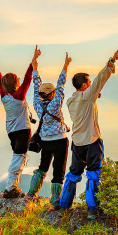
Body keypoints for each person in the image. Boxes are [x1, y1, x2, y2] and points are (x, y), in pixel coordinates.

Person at [60, 47, 118, 219]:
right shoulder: (87, 96)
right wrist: (112, 61)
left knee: (73, 173)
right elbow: (100, 80)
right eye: (88, 83)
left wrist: (93, 96)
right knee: (94, 174)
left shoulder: (71, 101)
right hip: (92, 141)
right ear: (84, 85)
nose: (90, 84)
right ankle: (93, 210)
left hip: (77, 143)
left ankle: (64, 204)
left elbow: (89, 95)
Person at [0, 46, 40, 198]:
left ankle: (13, 186)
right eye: (17, 79)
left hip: (11, 132)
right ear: (15, 83)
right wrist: (33, 62)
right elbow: (27, 79)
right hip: (22, 132)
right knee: (19, 157)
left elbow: (0, 80)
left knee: (19, 155)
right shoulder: (18, 96)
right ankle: (11, 188)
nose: (20, 79)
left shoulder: (4, 96)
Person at [26, 51, 72, 211]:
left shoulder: (37, 104)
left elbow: (36, 85)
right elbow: (61, 85)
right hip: (60, 140)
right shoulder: (55, 103)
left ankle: (31, 194)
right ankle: (54, 202)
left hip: (45, 141)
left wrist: (35, 67)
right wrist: (65, 66)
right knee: (58, 171)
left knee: (43, 167)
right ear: (52, 95)